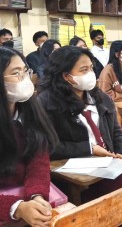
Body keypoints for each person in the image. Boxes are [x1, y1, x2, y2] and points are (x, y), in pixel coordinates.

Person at [37, 46, 122, 226]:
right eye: (84, 70)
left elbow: (116, 132)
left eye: (91, 68)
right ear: (66, 76)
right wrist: (89, 148)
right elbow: (48, 146)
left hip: (111, 165)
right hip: (81, 176)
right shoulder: (46, 104)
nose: (90, 73)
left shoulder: (100, 98)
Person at [0, 47, 58, 226]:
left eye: (25, 71)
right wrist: (16, 208)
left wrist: (37, 195)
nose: (24, 78)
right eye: (15, 73)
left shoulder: (28, 112)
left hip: (23, 196)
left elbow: (38, 160)